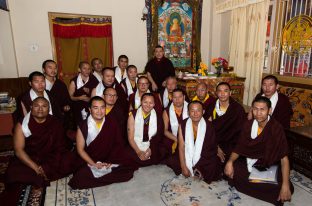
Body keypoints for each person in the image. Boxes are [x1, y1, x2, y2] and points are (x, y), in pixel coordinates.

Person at [224, 96, 294, 206]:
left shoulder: (276, 128)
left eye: (262, 109)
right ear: (252, 109)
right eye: (255, 109)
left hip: (268, 164)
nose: (258, 113)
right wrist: (230, 162)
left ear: (269, 111)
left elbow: (284, 158)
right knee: (231, 169)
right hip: (249, 160)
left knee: (281, 186)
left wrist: (285, 185)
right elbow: (239, 147)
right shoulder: (248, 125)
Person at [68, 96, 136, 189]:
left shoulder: (112, 122)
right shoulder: (83, 125)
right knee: (79, 179)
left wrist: (110, 162)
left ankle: (102, 174)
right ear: (90, 109)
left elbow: (118, 144)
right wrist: (94, 164)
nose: (99, 111)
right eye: (95, 108)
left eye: (102, 107)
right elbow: (80, 150)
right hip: (91, 159)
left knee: (128, 170)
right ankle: (103, 174)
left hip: (109, 158)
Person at [6, 97, 65, 188]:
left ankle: (44, 172)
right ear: (31, 107)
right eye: (36, 106)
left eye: (44, 106)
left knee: (71, 160)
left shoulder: (55, 122)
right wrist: (36, 168)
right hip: (30, 157)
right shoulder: (22, 124)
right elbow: (18, 150)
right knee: (13, 173)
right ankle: (41, 174)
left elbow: (59, 147)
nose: (40, 109)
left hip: (50, 157)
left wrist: (48, 165)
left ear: (48, 108)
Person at [169, 101, 220, 183]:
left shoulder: (209, 126)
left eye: (198, 110)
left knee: (215, 163)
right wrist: (183, 166)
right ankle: (194, 170)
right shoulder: (183, 124)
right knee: (173, 160)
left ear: (203, 112)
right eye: (192, 111)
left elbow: (210, 150)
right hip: (187, 153)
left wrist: (199, 166)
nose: (195, 113)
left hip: (203, 157)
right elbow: (181, 147)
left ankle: (198, 170)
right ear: (188, 112)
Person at [205, 82, 246, 173]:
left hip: (231, 143)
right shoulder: (211, 107)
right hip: (213, 142)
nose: (222, 94)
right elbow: (206, 129)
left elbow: (241, 133)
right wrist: (216, 147)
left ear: (230, 93)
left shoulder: (237, 109)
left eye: (225, 91)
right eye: (219, 91)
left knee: (235, 164)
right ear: (216, 93)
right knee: (208, 159)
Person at [127, 93, 164, 167]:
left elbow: (159, 136)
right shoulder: (133, 115)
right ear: (141, 102)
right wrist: (139, 152)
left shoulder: (158, 117)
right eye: (145, 102)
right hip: (136, 144)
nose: (148, 105)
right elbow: (130, 138)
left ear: (154, 104)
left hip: (151, 144)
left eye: (151, 103)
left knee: (163, 151)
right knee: (127, 155)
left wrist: (151, 149)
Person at [161, 88, 188, 160]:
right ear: (172, 98)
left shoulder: (190, 108)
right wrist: (177, 140)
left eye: (180, 97)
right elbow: (165, 130)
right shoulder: (166, 111)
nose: (177, 100)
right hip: (173, 137)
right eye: (175, 97)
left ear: (184, 97)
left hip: (189, 137)